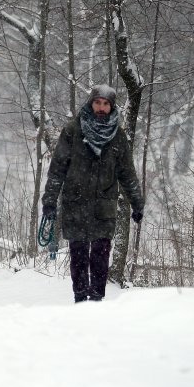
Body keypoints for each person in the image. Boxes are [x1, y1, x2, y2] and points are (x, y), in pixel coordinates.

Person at [41, 85, 144, 303]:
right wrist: (49, 201)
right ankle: (80, 300)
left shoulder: (119, 136)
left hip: (104, 208)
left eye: (105, 104)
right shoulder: (72, 131)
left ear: (111, 106)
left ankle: (97, 303)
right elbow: (57, 168)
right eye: (97, 102)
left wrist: (137, 203)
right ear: (90, 103)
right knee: (78, 256)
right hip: (75, 204)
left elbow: (127, 173)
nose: (101, 107)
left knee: (100, 256)